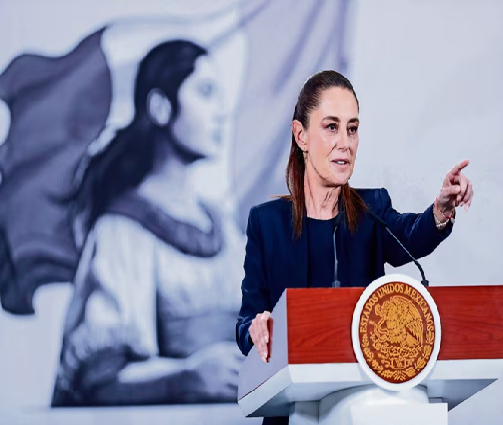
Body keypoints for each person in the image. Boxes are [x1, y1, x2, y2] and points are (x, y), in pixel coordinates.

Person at [236, 70, 473, 424]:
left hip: (365, 407)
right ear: (301, 135)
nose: (345, 142)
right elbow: (246, 322)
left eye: (352, 128)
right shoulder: (266, 223)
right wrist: (257, 329)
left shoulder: (371, 210)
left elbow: (411, 235)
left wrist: (441, 210)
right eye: (331, 127)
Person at [52, 39, 245, 406]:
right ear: (160, 107)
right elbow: (100, 377)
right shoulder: (122, 232)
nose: (221, 112)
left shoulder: (225, 228)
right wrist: (186, 377)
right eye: (205, 93)